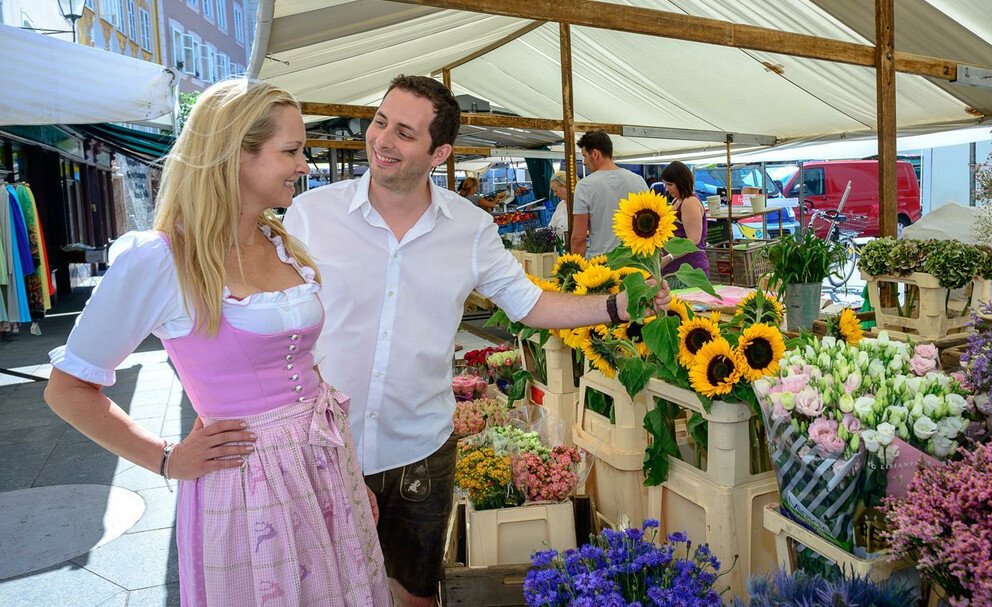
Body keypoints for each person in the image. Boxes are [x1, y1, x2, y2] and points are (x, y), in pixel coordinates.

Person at [284, 74, 669, 607]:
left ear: (439, 151)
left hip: (419, 450)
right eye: (379, 122)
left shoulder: (469, 227)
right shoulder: (311, 215)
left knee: (415, 595)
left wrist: (617, 306)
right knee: (324, 592)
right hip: (326, 446)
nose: (382, 140)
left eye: (404, 132)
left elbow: (530, 304)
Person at [43, 79, 391, 607]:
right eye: (292, 151)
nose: (304, 165)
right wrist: (166, 458)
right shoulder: (160, 261)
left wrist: (347, 479)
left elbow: (302, 366)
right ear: (235, 156)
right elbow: (67, 390)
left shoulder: (282, 242)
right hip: (249, 484)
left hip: (322, 465)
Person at [570, 130, 648, 259]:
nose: (584, 162)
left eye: (584, 156)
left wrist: (575, 269)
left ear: (595, 154)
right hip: (635, 260)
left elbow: (579, 238)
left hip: (603, 265)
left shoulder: (584, 186)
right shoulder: (638, 181)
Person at [659, 161, 710, 288]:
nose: (667, 189)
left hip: (688, 271)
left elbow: (692, 240)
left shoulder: (689, 202)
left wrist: (668, 258)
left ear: (681, 181)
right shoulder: (677, 200)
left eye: (670, 184)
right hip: (676, 271)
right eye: (665, 184)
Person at [548, 170, 569, 235]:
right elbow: (552, 226)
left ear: (565, 187)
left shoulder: (581, 205)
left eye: (556, 191)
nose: (554, 195)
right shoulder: (561, 205)